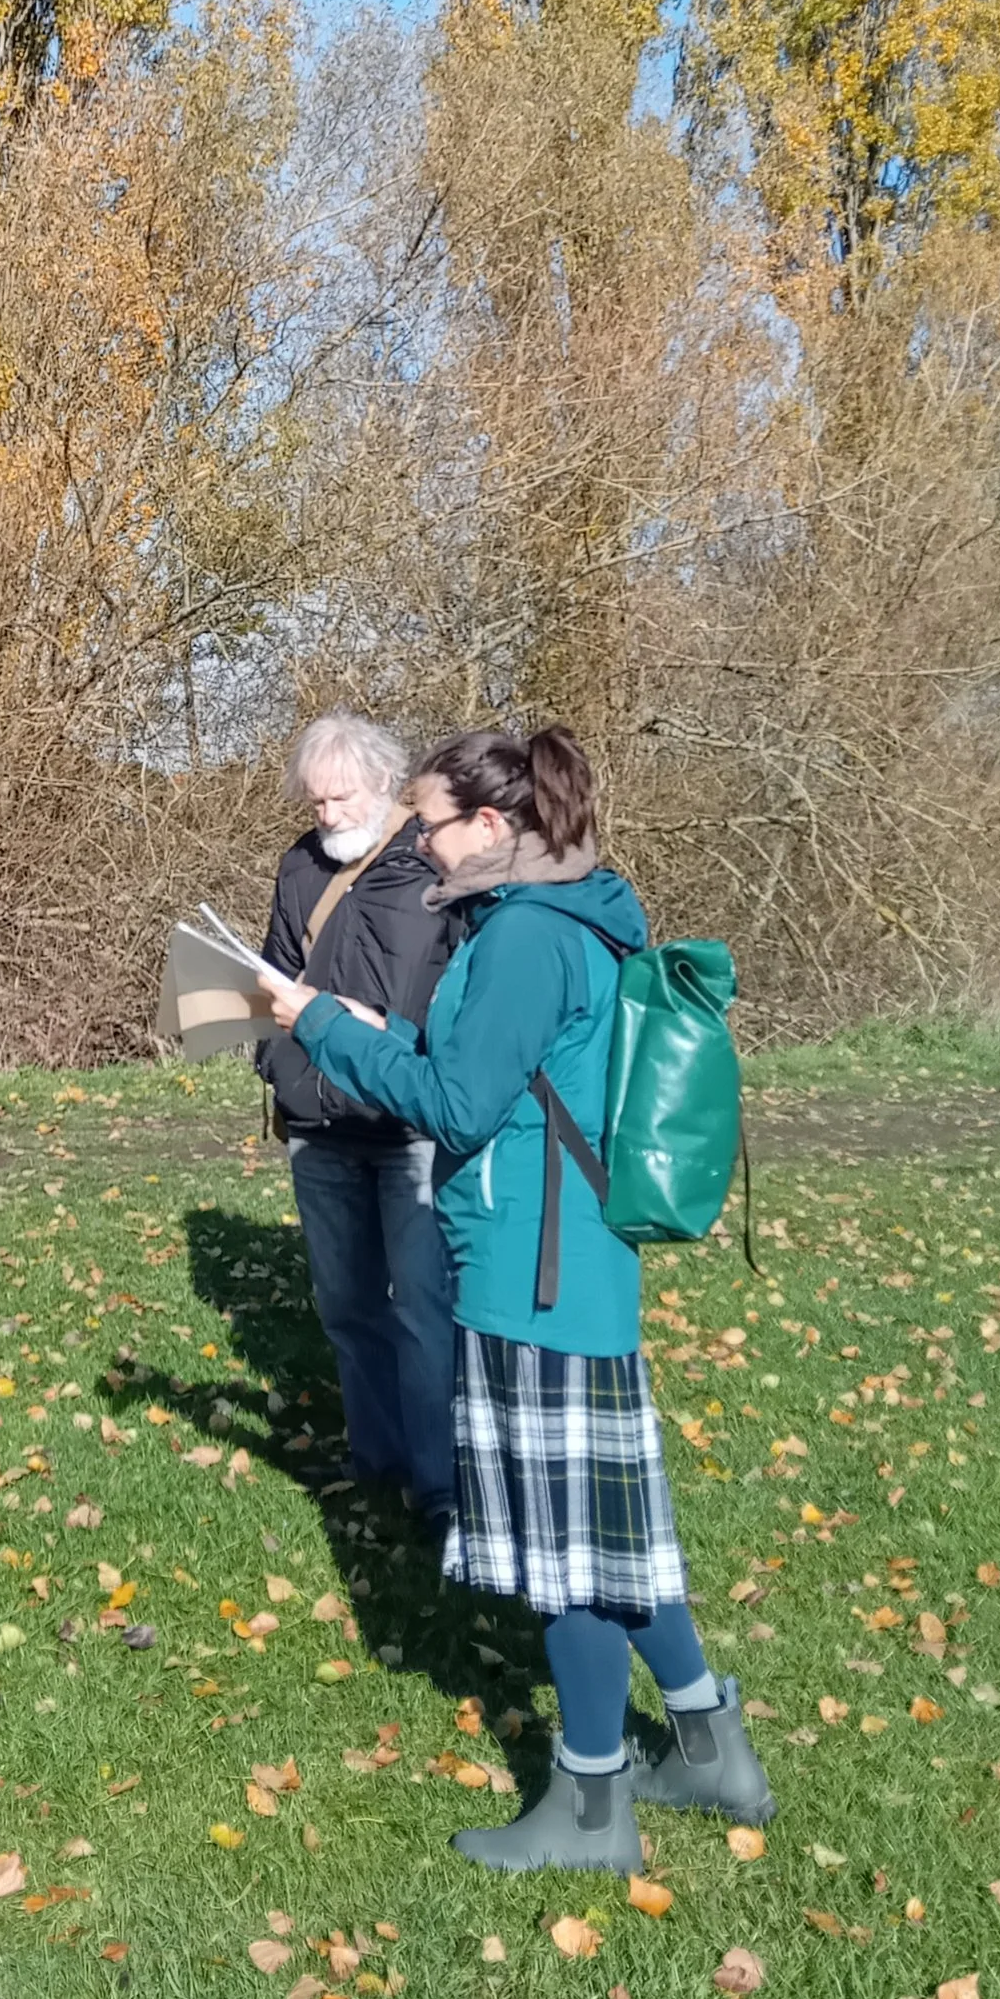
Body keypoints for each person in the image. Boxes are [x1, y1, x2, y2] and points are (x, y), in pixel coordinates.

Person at [263, 723, 771, 1875]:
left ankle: (590, 1804)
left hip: (530, 1270)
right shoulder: (569, 912)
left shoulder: (528, 937)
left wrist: (323, 1023)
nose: (422, 845)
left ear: (491, 828)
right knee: (613, 1536)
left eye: (432, 825)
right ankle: (706, 1743)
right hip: (569, 1260)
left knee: (564, 1557)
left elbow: (454, 1106)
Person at [255, 713, 460, 1524]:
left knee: (421, 1305)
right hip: (320, 1125)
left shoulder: (436, 868)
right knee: (345, 1303)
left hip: (410, 1124)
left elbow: (461, 994)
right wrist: (277, 1065)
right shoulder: (299, 868)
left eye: (342, 798)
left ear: (383, 786)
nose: (329, 815)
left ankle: (439, 1477)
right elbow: (270, 975)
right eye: (316, 802)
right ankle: (374, 1455)